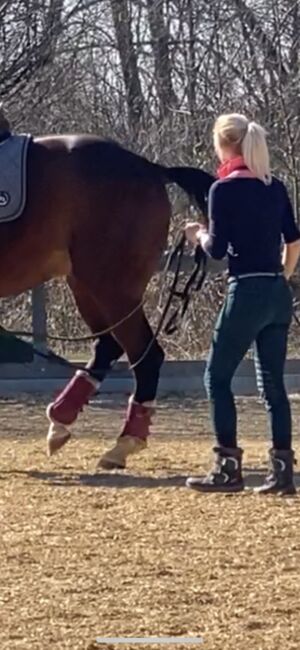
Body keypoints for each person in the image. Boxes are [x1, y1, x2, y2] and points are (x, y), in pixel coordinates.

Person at [185, 113, 300, 495]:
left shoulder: (223, 190)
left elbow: (216, 250)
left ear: (224, 146)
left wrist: (198, 233)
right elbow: (294, 242)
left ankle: (228, 467)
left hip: (246, 290)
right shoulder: (275, 187)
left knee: (216, 377)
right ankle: (282, 471)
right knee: (272, 385)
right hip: (276, 293)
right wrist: (282, 276)